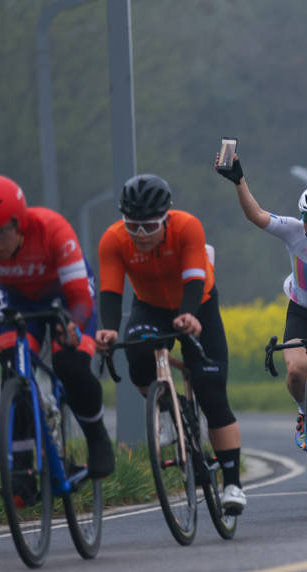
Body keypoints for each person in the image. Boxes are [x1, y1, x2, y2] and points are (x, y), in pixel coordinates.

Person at [0, 174, 115, 497]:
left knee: (69, 362)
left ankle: (97, 438)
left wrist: (73, 328)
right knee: (11, 365)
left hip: (67, 298)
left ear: (19, 223)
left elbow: (81, 298)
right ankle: (22, 468)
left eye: (0, 232)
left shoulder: (52, 228)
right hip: (18, 300)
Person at [94, 174, 247, 514]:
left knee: (211, 392)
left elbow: (194, 278)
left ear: (166, 217)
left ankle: (233, 484)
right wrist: (107, 330)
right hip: (149, 308)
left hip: (199, 305)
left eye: (149, 227)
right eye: (133, 226)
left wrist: (189, 316)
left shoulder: (187, 227)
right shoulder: (114, 241)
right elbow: (110, 292)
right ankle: (166, 407)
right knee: (135, 351)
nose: (141, 235)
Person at [216, 152, 307, 479]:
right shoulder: (294, 230)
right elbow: (255, 215)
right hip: (302, 310)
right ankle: (303, 412)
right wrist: (239, 180)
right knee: (296, 369)